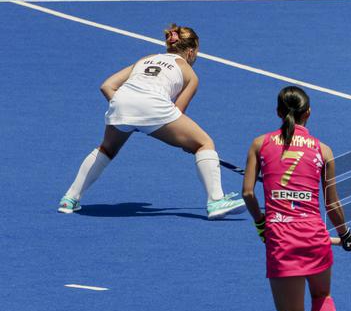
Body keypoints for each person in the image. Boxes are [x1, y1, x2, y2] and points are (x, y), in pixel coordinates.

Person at [241, 86, 351, 311]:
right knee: (322, 296)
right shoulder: (323, 150)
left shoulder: (260, 144)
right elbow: (332, 205)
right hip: (315, 234)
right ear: (309, 114)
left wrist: (261, 226)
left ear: (278, 112)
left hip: (282, 239)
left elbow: (247, 193)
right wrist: (346, 234)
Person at [57, 24, 246, 217]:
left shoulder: (146, 59)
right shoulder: (190, 73)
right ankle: (216, 201)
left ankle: (70, 198)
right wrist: (181, 140)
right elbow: (177, 112)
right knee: (204, 143)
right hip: (153, 108)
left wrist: (132, 116)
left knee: (106, 149)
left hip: (121, 102)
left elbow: (107, 86)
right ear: (190, 51)